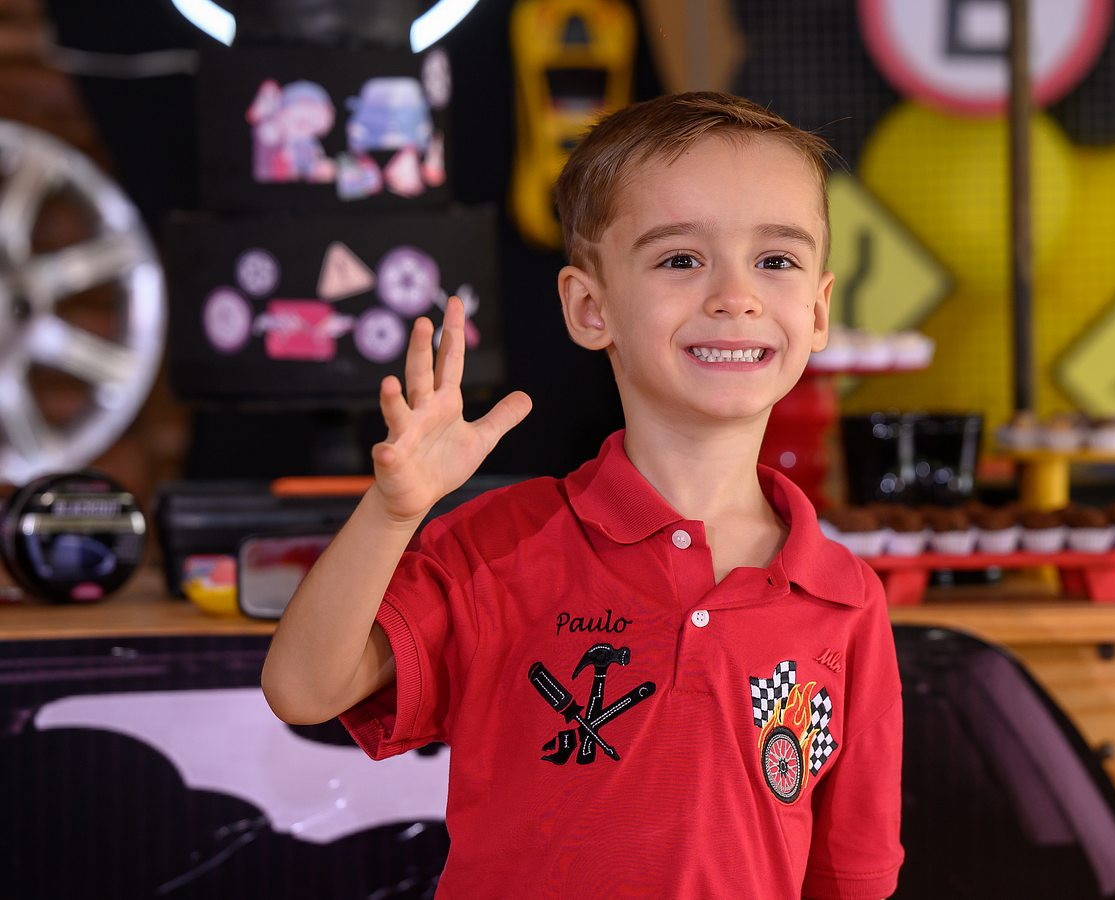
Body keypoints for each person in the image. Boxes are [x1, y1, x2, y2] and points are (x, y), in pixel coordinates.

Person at [262, 91, 903, 899]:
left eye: (775, 261)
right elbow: (303, 690)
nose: (734, 296)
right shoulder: (497, 548)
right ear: (589, 307)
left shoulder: (844, 599)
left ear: (816, 310)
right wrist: (394, 511)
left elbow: (850, 880)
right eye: (680, 260)